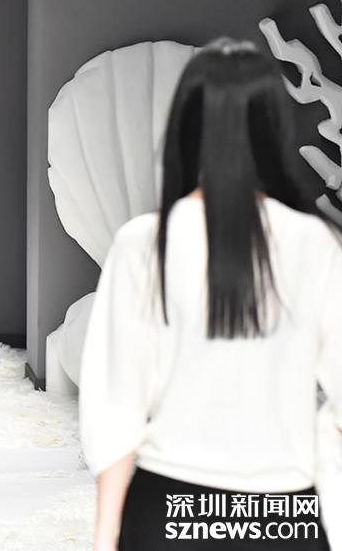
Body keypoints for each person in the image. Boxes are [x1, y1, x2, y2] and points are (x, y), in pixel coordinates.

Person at [78, 37, 342, 551]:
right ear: (274, 128)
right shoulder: (316, 244)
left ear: (185, 128)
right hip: (282, 516)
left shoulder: (142, 243)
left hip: (168, 513)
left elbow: (114, 413)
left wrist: (105, 538)